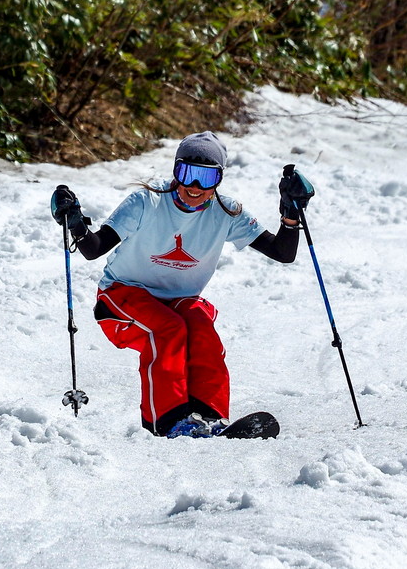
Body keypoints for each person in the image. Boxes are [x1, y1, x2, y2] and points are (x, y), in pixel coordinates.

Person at [50, 131, 315, 438]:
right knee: (169, 327)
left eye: (207, 177)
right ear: (176, 171)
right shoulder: (147, 202)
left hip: (177, 301)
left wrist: (291, 214)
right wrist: (77, 224)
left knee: (200, 325)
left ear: (219, 179)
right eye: (188, 173)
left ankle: (209, 418)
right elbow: (94, 248)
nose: (195, 187)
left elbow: (283, 253)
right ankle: (169, 421)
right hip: (120, 298)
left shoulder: (227, 212)